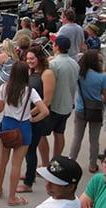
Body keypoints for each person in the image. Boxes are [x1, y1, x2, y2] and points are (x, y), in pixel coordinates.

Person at [0, 61, 49, 206]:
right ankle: (12, 198)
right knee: (16, 165)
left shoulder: (4, 88)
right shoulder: (30, 91)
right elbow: (45, 111)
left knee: (2, 160)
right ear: (26, 74)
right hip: (23, 128)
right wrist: (33, 119)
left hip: (7, 126)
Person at [19, 46, 56, 193]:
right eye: (27, 59)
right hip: (30, 115)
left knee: (30, 148)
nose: (29, 61)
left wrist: (29, 114)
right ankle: (30, 174)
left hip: (38, 117)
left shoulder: (47, 74)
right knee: (29, 148)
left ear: (40, 58)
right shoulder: (32, 72)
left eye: (32, 58)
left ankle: (28, 182)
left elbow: (46, 101)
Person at [40, 36, 79, 166]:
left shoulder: (53, 64)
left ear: (56, 46)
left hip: (55, 105)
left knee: (40, 135)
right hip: (68, 104)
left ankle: (45, 164)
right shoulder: (74, 63)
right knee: (59, 133)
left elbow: (49, 84)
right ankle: (55, 162)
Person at [69, 50, 106, 173]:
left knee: (77, 137)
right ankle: (92, 164)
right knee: (94, 139)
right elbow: (104, 95)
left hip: (81, 109)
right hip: (96, 110)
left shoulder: (80, 75)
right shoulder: (102, 76)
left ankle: (71, 161)